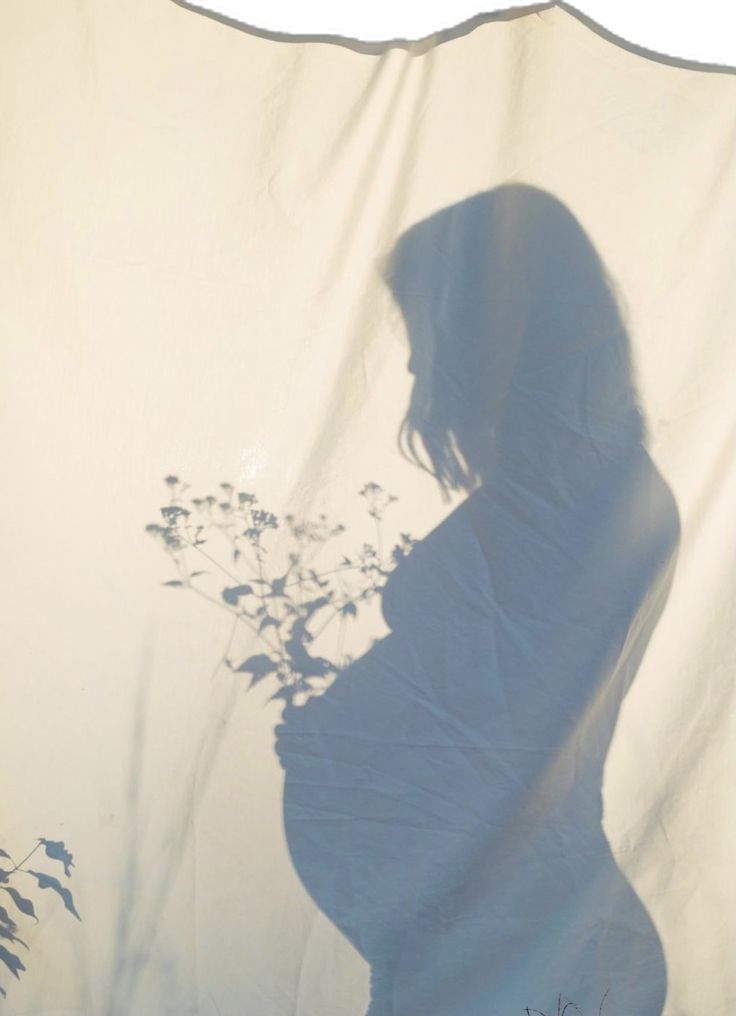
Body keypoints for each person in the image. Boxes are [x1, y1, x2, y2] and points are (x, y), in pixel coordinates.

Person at [276, 184, 680, 1015]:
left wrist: (347, 746)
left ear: (496, 328)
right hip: (494, 946)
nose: (420, 365)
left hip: (523, 953)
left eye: (426, 335)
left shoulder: (586, 508)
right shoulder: (573, 495)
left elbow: (513, 733)